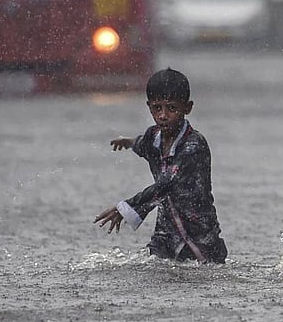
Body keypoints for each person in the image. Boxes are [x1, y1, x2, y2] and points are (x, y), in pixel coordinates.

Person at [94, 68, 228, 264]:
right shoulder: (153, 137)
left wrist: (125, 207)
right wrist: (128, 142)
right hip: (167, 233)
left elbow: (166, 184)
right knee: (152, 273)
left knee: (205, 274)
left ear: (187, 108)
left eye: (171, 108)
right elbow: (141, 144)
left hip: (199, 235)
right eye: (157, 108)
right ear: (149, 107)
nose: (163, 115)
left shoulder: (194, 145)